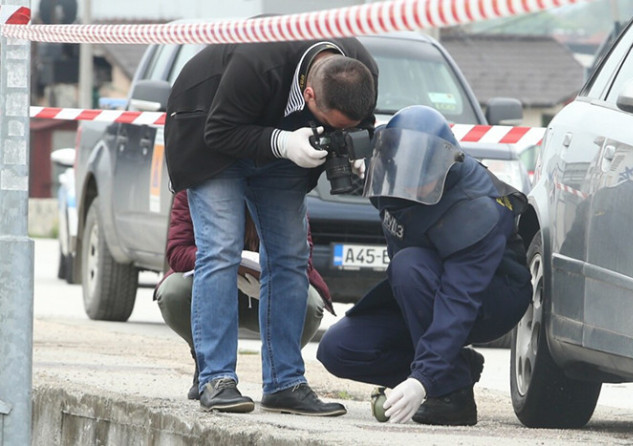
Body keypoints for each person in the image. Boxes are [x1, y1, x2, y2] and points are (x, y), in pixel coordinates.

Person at [164, 37, 378, 415]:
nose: (330, 130)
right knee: (221, 250)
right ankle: (216, 378)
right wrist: (281, 142)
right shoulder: (259, 60)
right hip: (212, 137)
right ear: (309, 95)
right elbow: (220, 131)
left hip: (283, 146)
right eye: (328, 124)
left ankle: (285, 382)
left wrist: (354, 148)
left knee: (291, 257)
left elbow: (366, 124)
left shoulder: (361, 70)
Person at [316, 105, 532, 426]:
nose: (411, 186)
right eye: (405, 173)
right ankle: (456, 368)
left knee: (409, 265)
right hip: (420, 290)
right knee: (339, 349)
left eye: (421, 177)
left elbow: (458, 303)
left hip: (490, 298)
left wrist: (424, 380)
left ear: (442, 166)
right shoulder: (394, 181)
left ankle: (452, 397)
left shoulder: (477, 209)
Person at [153, 190, 336, 401]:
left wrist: (271, 280)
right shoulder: (198, 181)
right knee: (172, 292)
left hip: (265, 291)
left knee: (310, 303)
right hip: (210, 288)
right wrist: (221, 260)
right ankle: (208, 365)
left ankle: (280, 372)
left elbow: (303, 256)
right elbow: (177, 250)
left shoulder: (281, 185)